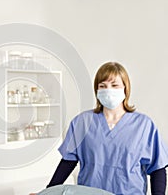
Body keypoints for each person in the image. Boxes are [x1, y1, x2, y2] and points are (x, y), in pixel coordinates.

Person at [41, 62, 168, 194]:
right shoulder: (82, 123)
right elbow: (67, 162)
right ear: (97, 90)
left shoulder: (143, 125)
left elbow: (157, 168)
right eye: (103, 86)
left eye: (114, 85)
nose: (108, 90)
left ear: (125, 88)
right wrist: (47, 192)